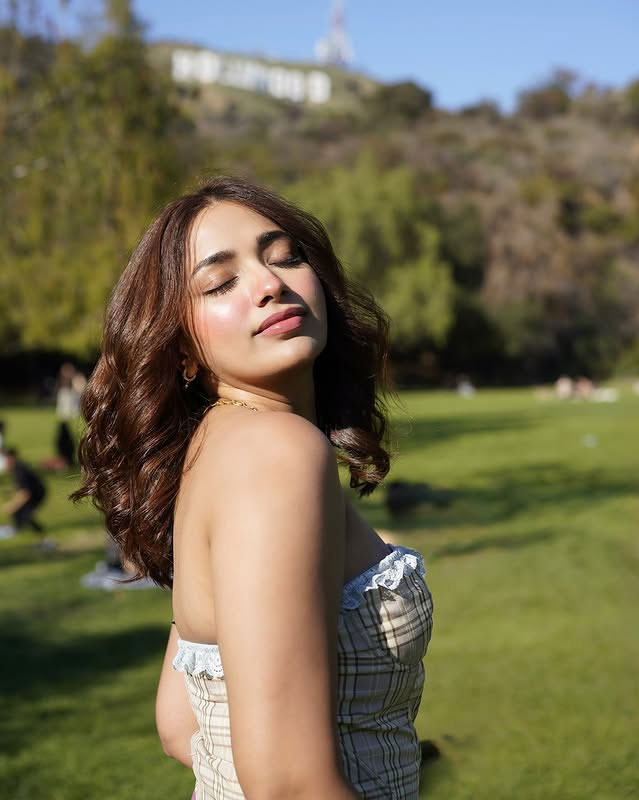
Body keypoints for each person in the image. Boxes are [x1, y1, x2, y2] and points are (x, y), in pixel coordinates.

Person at [72, 176, 434, 799]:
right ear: (180, 348)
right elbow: (289, 786)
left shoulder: (216, 447)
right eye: (219, 282)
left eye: (284, 256)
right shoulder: (275, 452)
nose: (270, 284)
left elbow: (180, 722)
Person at [1, 447, 47, 539]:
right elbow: (23, 485)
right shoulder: (17, 467)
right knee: (20, 513)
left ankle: (41, 535)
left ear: (10, 458)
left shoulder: (20, 471)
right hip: (34, 491)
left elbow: (25, 494)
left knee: (24, 514)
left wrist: (11, 506)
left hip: (36, 494)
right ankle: (16, 529)